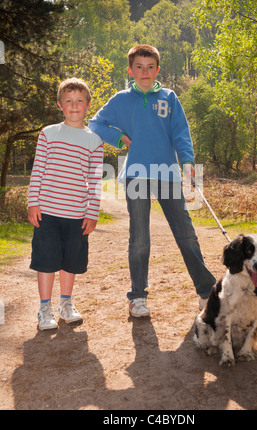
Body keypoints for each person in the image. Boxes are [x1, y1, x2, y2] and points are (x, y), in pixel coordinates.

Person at [89, 44, 216, 317]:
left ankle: (207, 292)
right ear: (130, 70)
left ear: (158, 70)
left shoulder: (169, 97)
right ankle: (137, 297)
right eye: (138, 67)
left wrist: (189, 161)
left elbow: (181, 132)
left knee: (186, 234)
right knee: (140, 239)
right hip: (135, 174)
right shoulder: (121, 99)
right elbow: (95, 124)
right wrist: (120, 137)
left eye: (150, 67)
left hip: (168, 174)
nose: (144, 72)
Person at [28, 78, 103, 330]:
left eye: (79, 101)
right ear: (60, 104)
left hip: (76, 214)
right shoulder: (48, 133)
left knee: (71, 261)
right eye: (69, 101)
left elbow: (94, 180)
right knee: (47, 260)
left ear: (88, 104)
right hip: (47, 212)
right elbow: (38, 170)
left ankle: (66, 303)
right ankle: (45, 308)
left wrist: (92, 212)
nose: (74, 106)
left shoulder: (94, 140)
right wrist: (33, 203)